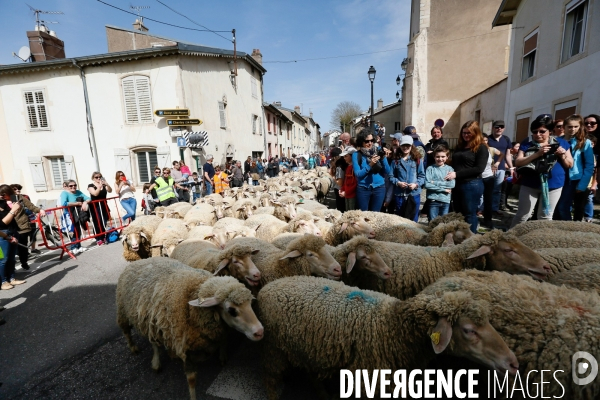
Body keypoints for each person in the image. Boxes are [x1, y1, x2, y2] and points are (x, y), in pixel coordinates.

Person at [510, 114, 573, 228]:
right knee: (522, 215)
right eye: (534, 131)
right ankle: (510, 240)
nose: (538, 134)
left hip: (553, 185)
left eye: (542, 131)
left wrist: (562, 155)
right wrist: (537, 154)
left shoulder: (561, 143)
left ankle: (539, 241)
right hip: (530, 183)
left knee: (545, 217)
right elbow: (518, 162)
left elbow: (569, 164)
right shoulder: (527, 142)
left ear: (550, 131)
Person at [446, 121, 488, 233]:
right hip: (457, 184)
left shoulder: (481, 148)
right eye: (464, 133)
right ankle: (461, 237)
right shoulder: (460, 146)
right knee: (458, 214)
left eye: (468, 133)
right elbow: (457, 163)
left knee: (469, 214)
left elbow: (479, 168)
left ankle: (471, 239)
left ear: (475, 133)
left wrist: (457, 174)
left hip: (472, 184)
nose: (465, 135)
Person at [554, 114, 594, 221]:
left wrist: (582, 185)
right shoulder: (557, 141)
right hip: (557, 177)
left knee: (563, 207)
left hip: (572, 179)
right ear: (564, 127)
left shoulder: (584, 142)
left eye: (576, 127)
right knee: (556, 207)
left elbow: (589, 165)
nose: (573, 129)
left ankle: (569, 230)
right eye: (570, 127)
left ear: (580, 127)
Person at [387, 136, 425, 222]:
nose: (405, 147)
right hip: (400, 194)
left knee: (413, 218)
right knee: (401, 219)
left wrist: (416, 184)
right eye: (403, 145)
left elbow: (422, 176)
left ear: (411, 146)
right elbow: (391, 176)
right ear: (400, 145)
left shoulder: (417, 160)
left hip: (413, 194)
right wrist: (398, 183)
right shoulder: (395, 160)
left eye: (408, 145)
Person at [352, 130, 391, 211]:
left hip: (379, 188)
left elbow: (387, 171)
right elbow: (358, 174)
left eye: (372, 140)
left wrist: (383, 158)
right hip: (363, 189)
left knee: (375, 215)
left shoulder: (379, 151)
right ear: (361, 141)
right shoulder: (356, 155)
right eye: (367, 141)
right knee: (364, 215)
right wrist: (370, 165)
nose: (370, 143)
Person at [8, 184, 44, 270]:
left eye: (18, 190)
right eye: (15, 190)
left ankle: (24, 262)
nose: (17, 191)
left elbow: (31, 206)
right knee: (10, 248)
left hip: (22, 226)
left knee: (23, 246)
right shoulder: (4, 201)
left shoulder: (20, 198)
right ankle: (10, 267)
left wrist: (40, 210)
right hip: (8, 227)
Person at [0, 185, 24, 290]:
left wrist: (13, 197)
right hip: (2, 233)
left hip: (12, 231)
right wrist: (13, 210)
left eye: (5, 194)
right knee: (3, 259)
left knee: (11, 258)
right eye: (2, 195)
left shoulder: (5, 202)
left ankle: (11, 277)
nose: (3, 196)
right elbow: (3, 223)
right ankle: (3, 281)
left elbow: (16, 204)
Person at [487, 120, 514, 213]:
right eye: (497, 127)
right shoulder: (488, 139)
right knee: (487, 189)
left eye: (501, 127)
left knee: (497, 189)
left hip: (501, 168)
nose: (499, 129)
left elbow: (508, 155)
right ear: (493, 128)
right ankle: (484, 208)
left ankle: (494, 208)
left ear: (504, 128)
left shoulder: (506, 139)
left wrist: (511, 168)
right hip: (488, 168)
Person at [60, 179, 92, 254]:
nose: (73, 187)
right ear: (67, 187)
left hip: (78, 213)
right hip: (69, 213)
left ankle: (78, 246)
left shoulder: (78, 192)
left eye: (75, 185)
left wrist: (84, 202)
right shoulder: (64, 193)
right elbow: (64, 203)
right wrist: (76, 203)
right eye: (71, 186)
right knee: (75, 230)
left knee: (79, 229)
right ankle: (73, 247)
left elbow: (88, 198)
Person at [424, 146, 455, 221]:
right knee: (432, 222)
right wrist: (444, 190)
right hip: (433, 199)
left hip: (445, 200)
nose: (440, 159)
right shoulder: (430, 169)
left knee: (443, 223)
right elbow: (427, 184)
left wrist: (434, 182)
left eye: (443, 156)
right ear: (434, 157)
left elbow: (451, 184)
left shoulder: (450, 169)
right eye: (437, 156)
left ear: (447, 157)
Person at [478, 136, 503, 229]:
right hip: (478, 177)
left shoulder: (491, 149)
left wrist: (496, 164)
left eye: (486, 140)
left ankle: (488, 219)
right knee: (477, 197)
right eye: (482, 140)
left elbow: (502, 154)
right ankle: (476, 215)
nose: (484, 142)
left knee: (488, 199)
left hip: (488, 177)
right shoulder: (476, 149)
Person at [87, 172, 112, 246]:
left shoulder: (103, 184)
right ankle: (98, 238)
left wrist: (107, 184)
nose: (98, 178)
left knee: (103, 222)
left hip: (104, 205)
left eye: (100, 177)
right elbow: (95, 194)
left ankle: (103, 236)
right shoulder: (90, 186)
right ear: (93, 178)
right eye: (96, 177)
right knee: (97, 222)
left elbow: (110, 190)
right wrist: (99, 187)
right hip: (95, 206)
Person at [584, 135, 598, 222]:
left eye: (591, 143)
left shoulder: (595, 156)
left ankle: (588, 218)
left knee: (589, 199)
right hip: (581, 182)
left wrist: (594, 185)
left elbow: (596, 172)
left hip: (590, 182)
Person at [330, 148, 346, 213]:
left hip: (340, 190)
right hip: (342, 190)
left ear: (334, 158)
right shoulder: (342, 165)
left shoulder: (339, 167)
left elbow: (340, 183)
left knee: (341, 209)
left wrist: (332, 176)